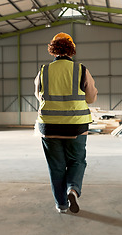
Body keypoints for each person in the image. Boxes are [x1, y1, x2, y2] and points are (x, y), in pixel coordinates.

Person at [34, 32, 98, 213]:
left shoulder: (43, 71)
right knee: (77, 161)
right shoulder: (81, 70)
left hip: (49, 126)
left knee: (56, 166)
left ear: (53, 50)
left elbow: (39, 96)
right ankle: (73, 189)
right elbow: (91, 98)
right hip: (76, 125)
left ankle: (61, 205)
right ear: (72, 50)